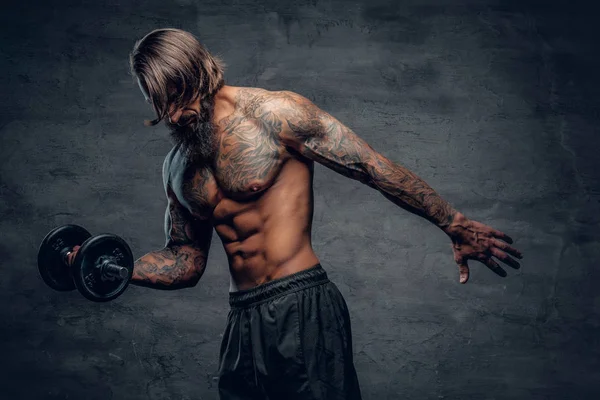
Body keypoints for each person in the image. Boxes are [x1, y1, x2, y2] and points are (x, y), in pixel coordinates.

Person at [92, 28, 525, 399]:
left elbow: (370, 167)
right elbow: (185, 260)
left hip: (301, 303)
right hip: (242, 319)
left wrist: (453, 222)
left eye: (177, 95)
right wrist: (114, 265)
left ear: (200, 72)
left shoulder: (276, 115)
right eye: (159, 102)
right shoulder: (176, 166)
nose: (171, 113)